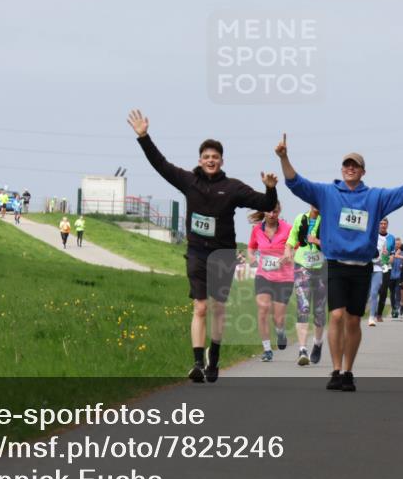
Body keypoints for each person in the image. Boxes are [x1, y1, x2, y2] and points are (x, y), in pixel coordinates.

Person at [129, 109, 278, 383]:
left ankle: (215, 359)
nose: (211, 160)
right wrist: (144, 137)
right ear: (200, 160)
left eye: (215, 157)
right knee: (200, 307)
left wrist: (270, 189)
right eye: (207, 157)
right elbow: (160, 164)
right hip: (197, 251)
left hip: (222, 254)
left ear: (222, 161)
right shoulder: (189, 181)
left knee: (218, 309)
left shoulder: (233, 188)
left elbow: (266, 205)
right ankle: (198, 363)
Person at [277, 134, 403, 392]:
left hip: (362, 267)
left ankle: (348, 370)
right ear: (342, 169)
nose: (350, 168)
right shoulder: (327, 193)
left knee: (352, 321)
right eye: (347, 164)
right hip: (335, 264)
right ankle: (336, 370)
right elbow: (296, 183)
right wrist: (283, 157)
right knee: (336, 315)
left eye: (355, 165)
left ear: (362, 171)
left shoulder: (374, 197)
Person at [247, 203, 294, 362]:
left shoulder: (288, 228)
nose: (272, 214)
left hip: (284, 278)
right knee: (263, 308)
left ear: (279, 212)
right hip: (264, 275)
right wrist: (252, 257)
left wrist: (289, 254)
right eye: (269, 211)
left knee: (278, 318)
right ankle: (267, 349)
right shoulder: (257, 230)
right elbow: (251, 248)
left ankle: (280, 331)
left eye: (275, 211)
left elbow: (295, 247)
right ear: (264, 212)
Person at [286, 206, 326, 364]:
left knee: (319, 311)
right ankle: (302, 349)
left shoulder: (328, 220)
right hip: (302, 267)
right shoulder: (300, 219)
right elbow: (291, 239)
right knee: (303, 307)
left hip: (322, 268)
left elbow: (333, 244)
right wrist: (288, 249)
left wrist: (316, 241)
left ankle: (317, 343)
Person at [365, 219, 395, 327]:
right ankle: (364, 310)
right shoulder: (371, 235)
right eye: (381, 223)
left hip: (380, 267)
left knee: (376, 292)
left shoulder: (390, 238)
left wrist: (387, 258)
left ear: (387, 225)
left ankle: (372, 317)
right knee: (366, 293)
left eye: (384, 224)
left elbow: (392, 255)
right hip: (368, 266)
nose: (382, 225)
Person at [387, 240, 403, 319]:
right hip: (390, 276)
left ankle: (396, 308)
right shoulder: (391, 252)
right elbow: (387, 261)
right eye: (396, 244)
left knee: (398, 292)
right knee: (392, 293)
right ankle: (393, 308)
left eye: (399, 244)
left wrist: (402, 265)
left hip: (399, 276)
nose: (397, 245)